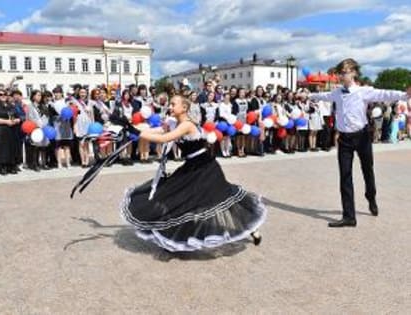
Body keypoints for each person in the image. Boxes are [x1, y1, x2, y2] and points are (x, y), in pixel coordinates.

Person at [72, 95, 267, 252]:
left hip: (206, 169)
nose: (170, 106)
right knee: (177, 198)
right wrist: (127, 127)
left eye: (174, 104)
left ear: (184, 107)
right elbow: (156, 130)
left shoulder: (187, 124)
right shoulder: (174, 122)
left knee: (222, 199)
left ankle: (252, 229)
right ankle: (174, 231)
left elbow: (165, 138)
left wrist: (135, 131)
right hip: (191, 167)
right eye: (171, 104)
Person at [309, 58, 411, 227]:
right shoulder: (336, 92)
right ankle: (349, 216)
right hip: (344, 139)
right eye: (340, 72)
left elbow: (384, 94)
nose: (342, 75)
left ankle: (371, 197)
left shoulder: (364, 91)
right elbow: (323, 96)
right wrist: (309, 95)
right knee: (345, 176)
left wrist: (405, 94)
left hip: (362, 136)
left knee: (367, 170)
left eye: (345, 72)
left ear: (354, 73)